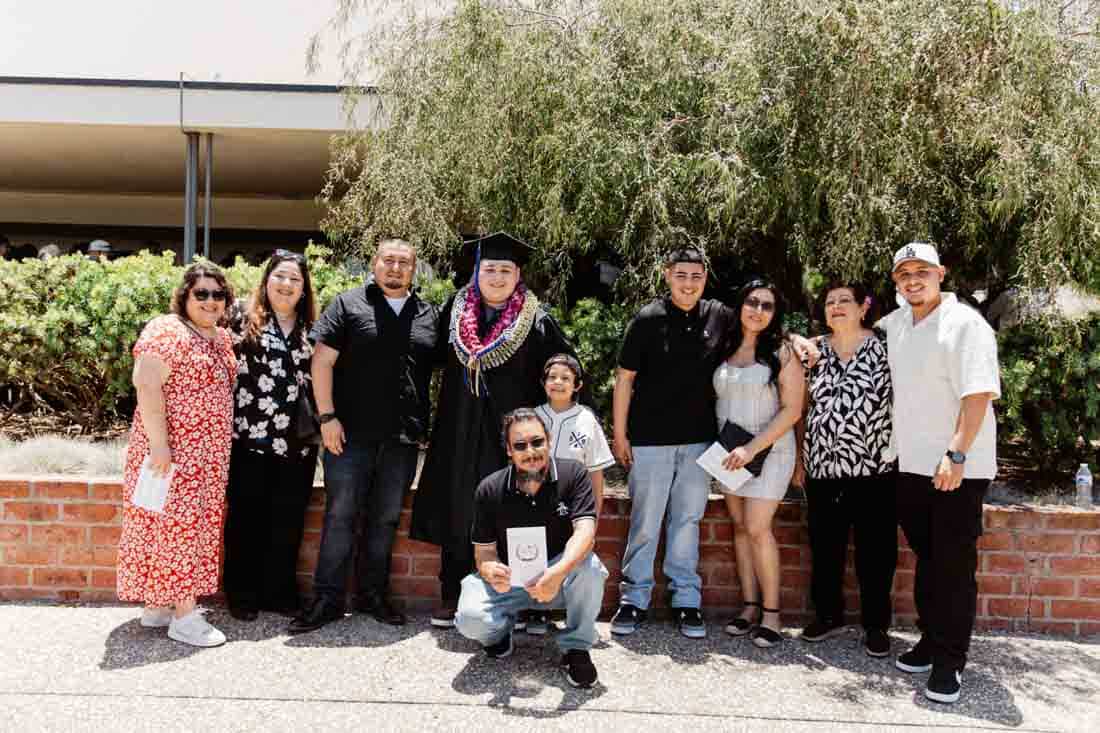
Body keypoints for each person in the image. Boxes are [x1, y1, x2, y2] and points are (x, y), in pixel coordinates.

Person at [411, 232, 583, 629]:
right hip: (458, 426)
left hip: (510, 434)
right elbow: (428, 354)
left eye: (506, 270)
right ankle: (452, 592)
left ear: (518, 273)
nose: (498, 276)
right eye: (490, 269)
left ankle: (518, 599)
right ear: (476, 273)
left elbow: (564, 363)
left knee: (513, 507)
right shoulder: (455, 309)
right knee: (458, 506)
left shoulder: (534, 318)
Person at [289, 239, 440, 634]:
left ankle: (372, 595)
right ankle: (326, 599)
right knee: (340, 515)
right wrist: (327, 417)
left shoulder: (427, 315)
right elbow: (321, 361)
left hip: (402, 439)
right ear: (374, 265)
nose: (394, 268)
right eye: (388, 261)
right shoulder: (348, 304)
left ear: (413, 269)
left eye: (403, 263)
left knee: (386, 519)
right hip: (348, 435)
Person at [883, 243, 1000, 704]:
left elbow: (978, 395)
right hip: (910, 465)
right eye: (904, 273)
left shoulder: (966, 325)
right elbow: (849, 331)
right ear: (896, 282)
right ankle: (931, 641)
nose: (913, 280)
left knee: (953, 568)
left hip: (956, 468)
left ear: (941, 274)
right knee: (929, 561)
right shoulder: (897, 324)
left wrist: (955, 454)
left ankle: (950, 663)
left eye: (922, 272)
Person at [610, 247, 735, 639]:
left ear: (705, 278)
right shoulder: (648, 319)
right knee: (645, 522)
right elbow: (625, 379)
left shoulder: (718, 316)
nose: (689, 283)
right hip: (650, 440)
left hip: (700, 443)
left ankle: (686, 601)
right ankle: (634, 600)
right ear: (667, 275)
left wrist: (799, 340)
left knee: (687, 521)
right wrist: (620, 434)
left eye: (696, 276)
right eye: (681, 275)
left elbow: (760, 331)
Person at [116, 262, 237, 647]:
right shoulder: (166, 329)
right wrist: (159, 445)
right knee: (175, 528)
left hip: (206, 458)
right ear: (184, 295)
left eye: (218, 295)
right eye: (201, 293)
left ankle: (160, 604)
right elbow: (146, 384)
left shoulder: (219, 337)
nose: (210, 301)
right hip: (173, 453)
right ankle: (184, 615)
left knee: (178, 527)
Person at [455, 408, 607, 689]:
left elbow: (586, 533)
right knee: (469, 619)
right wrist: (490, 569)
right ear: (509, 451)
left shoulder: (574, 474)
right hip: (511, 583)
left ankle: (575, 648)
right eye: (520, 446)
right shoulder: (490, 489)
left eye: (537, 442)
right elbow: (484, 553)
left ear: (549, 440)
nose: (531, 451)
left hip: (560, 579)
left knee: (591, 569)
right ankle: (498, 635)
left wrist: (558, 572)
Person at [798, 282, 897, 657]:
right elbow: (802, 409)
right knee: (825, 549)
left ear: (863, 307)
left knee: (877, 554)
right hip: (823, 469)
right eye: (830, 302)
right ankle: (827, 615)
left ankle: (876, 626)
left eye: (844, 301)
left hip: (876, 469)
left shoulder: (886, 347)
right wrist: (799, 460)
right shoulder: (813, 351)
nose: (836, 307)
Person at [223, 250, 320, 622]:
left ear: (304, 288)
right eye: (280, 276)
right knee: (246, 518)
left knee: (288, 520)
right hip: (248, 436)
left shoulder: (314, 326)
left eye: (295, 279)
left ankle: (279, 592)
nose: (287, 285)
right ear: (267, 281)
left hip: (296, 442)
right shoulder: (240, 318)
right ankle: (242, 593)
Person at [714, 280, 804, 648]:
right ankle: (749, 607)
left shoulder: (782, 352)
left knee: (756, 526)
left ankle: (772, 615)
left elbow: (793, 410)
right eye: (752, 301)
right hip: (728, 451)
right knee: (738, 526)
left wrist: (752, 449)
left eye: (768, 306)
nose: (758, 310)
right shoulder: (723, 345)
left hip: (770, 451)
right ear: (740, 304)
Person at [534, 354, 614, 516]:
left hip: (572, 503)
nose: (558, 382)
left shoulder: (587, 420)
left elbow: (595, 473)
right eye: (552, 377)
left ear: (577, 385)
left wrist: (594, 519)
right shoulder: (533, 417)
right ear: (543, 382)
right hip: (536, 500)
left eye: (565, 378)